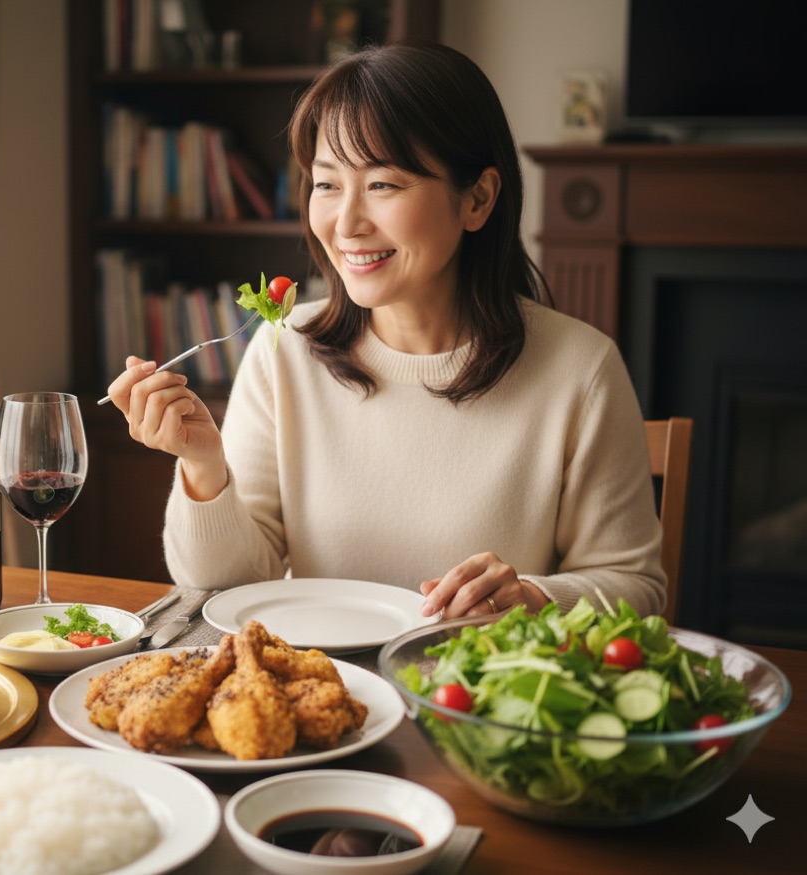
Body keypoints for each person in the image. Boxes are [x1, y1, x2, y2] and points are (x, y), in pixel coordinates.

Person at [105, 41, 665, 620]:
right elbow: (229, 590)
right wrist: (203, 466)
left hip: (474, 698)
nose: (346, 223)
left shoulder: (580, 367)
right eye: (326, 184)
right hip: (324, 689)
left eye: (383, 185)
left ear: (477, 199)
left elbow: (637, 587)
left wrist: (533, 595)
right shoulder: (284, 348)